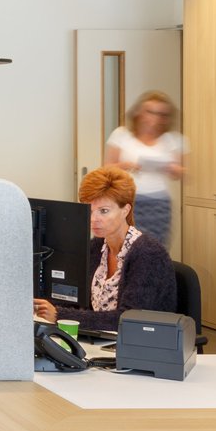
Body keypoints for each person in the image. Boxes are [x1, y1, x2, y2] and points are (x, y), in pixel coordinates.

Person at [32, 165, 176, 334]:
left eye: (104, 211)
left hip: (143, 345)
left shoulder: (148, 254)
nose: (94, 220)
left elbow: (129, 320)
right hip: (103, 341)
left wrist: (59, 314)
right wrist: (42, 305)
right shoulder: (97, 246)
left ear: (125, 210)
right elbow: (79, 302)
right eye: (90, 211)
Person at [105, 91, 185, 246]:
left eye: (161, 114)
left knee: (154, 248)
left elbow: (181, 172)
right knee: (124, 248)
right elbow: (106, 169)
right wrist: (126, 165)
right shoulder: (122, 135)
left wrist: (171, 168)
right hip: (126, 201)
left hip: (158, 204)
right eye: (150, 111)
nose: (155, 117)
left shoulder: (172, 139)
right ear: (138, 112)